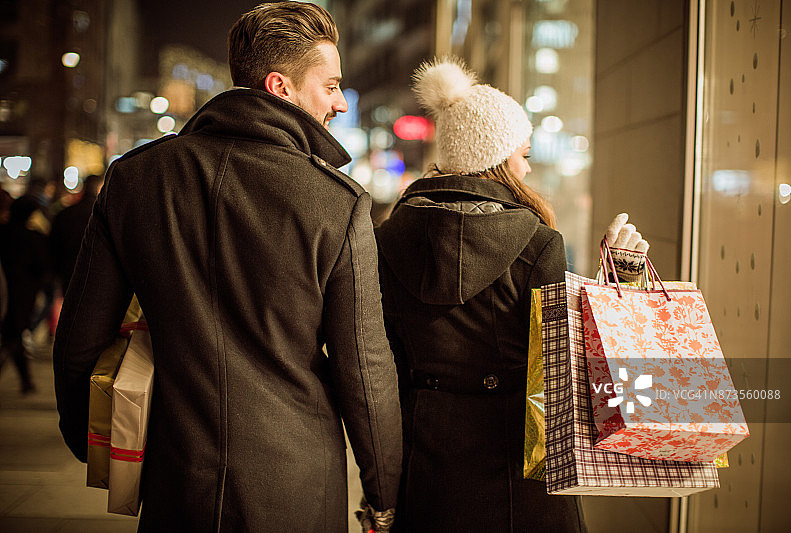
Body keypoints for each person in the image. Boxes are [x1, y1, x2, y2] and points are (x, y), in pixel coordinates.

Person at [53, 3, 401, 531]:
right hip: (296, 483)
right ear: (280, 87)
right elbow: (365, 367)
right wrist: (384, 495)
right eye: (330, 86)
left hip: (176, 473)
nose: (338, 104)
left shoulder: (136, 179)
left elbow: (80, 336)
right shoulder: (336, 202)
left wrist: (93, 438)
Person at [374, 58, 648, 532]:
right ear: (497, 159)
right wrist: (619, 279)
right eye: (523, 153)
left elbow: (382, 358)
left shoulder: (388, 237)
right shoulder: (537, 241)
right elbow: (566, 366)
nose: (527, 165)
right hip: (517, 466)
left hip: (425, 462)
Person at [0, 193, 51, 394]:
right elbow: (44, 266)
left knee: (12, 336)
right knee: (14, 336)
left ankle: (26, 381)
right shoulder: (33, 237)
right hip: (23, 293)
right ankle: (26, 381)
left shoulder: (3, 232)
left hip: (7, 290)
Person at [50, 174, 104, 294]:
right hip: (97, 276)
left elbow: (53, 246)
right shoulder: (104, 216)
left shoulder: (65, 214)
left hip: (68, 273)